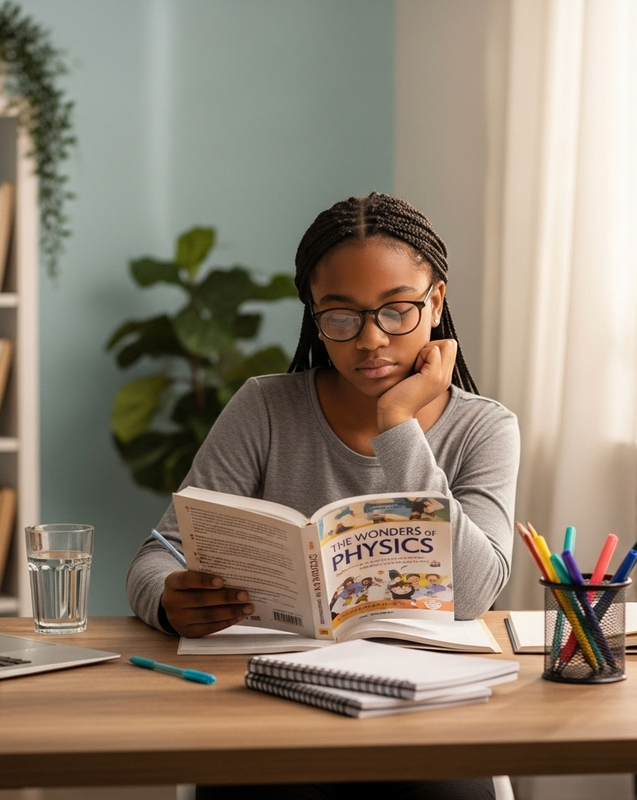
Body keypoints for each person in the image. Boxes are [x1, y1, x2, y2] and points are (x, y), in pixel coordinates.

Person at [127, 192, 520, 800]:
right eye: (341, 316)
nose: (370, 339)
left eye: (397, 311)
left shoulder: (484, 427)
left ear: (436, 301)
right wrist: (166, 599)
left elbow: (471, 594)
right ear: (314, 317)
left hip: (426, 710)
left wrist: (398, 424)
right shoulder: (264, 408)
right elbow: (158, 554)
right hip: (272, 702)